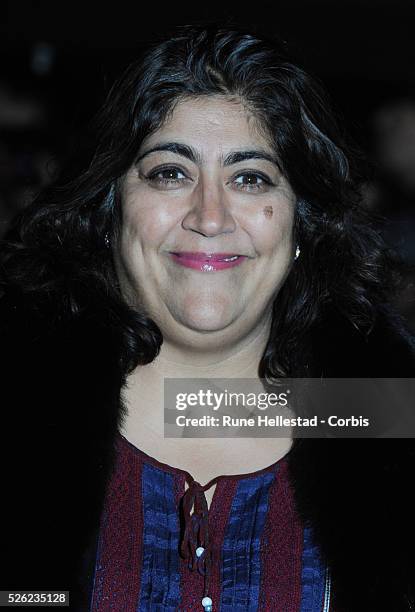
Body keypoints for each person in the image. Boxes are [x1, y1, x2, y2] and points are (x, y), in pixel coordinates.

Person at [0, 25, 414, 612]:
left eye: (251, 178)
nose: (210, 215)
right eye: (171, 172)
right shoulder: (17, 410)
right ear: (110, 210)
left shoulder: (389, 420)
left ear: (302, 224)